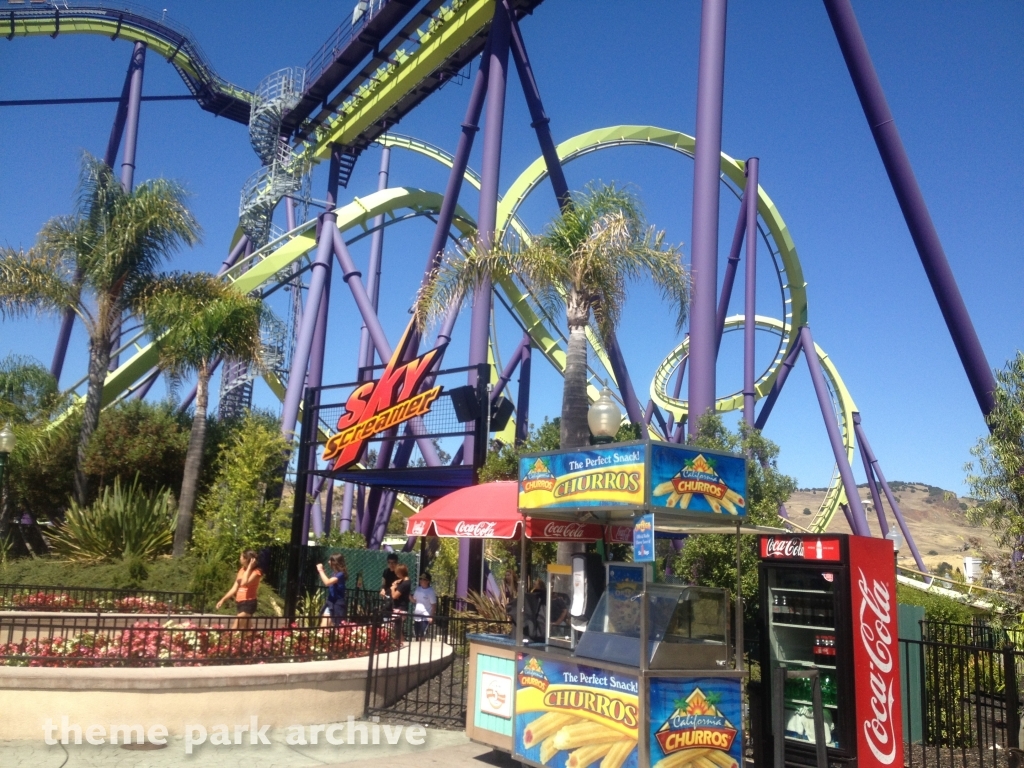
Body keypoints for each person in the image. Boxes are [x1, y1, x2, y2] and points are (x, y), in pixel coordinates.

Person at [216, 550, 262, 629]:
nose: (240, 558)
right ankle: (257, 639)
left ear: (246, 559)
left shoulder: (256, 572)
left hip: (248, 602)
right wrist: (223, 599)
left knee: (235, 628)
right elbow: (234, 588)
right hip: (240, 602)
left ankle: (228, 640)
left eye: (241, 556)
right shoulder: (241, 570)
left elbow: (244, 582)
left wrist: (249, 567)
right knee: (248, 630)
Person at [316, 553, 347, 627]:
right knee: (323, 627)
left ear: (335, 562)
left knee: (334, 627)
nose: (328, 562)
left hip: (337, 604)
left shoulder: (340, 574)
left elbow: (327, 582)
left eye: (330, 560)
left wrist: (320, 570)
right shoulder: (334, 573)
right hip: (330, 602)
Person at [411, 572, 437, 641]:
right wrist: (408, 595)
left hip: (425, 617)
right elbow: (414, 600)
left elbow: (433, 605)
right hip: (417, 616)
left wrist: (431, 616)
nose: (421, 580)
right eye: (421, 579)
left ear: (428, 581)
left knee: (422, 634)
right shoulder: (418, 589)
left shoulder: (430, 591)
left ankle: (422, 649)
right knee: (417, 634)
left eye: (423, 579)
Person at [390, 564, 412, 644]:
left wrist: (392, 589)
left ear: (401, 573)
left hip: (400, 608)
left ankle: (399, 643)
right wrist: (396, 582)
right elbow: (398, 581)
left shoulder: (405, 584)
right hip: (400, 607)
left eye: (397, 573)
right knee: (398, 628)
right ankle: (401, 642)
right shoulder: (405, 581)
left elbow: (395, 596)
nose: (396, 575)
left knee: (396, 627)